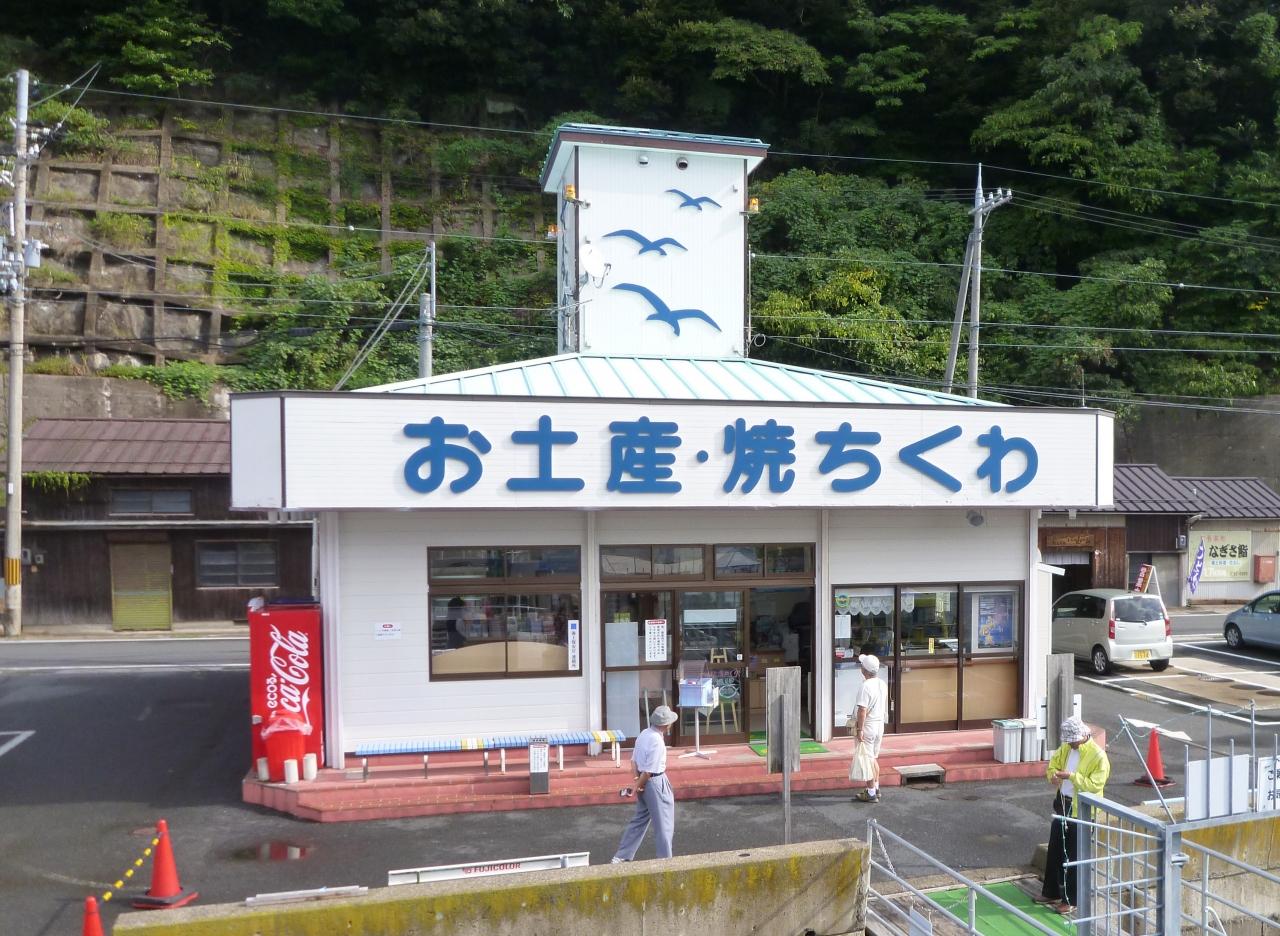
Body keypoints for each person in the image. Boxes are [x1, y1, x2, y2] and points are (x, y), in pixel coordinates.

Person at [1035, 716, 1110, 915]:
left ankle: (1071, 900)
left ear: (1082, 736)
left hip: (1082, 812)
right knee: (1055, 850)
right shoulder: (1066, 749)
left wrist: (1071, 776)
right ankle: (1050, 891)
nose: (1069, 743)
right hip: (1063, 805)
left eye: (1072, 740)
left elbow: (1095, 785)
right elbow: (1053, 764)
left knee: (1075, 857)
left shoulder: (1098, 756)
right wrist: (1052, 775)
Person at [612, 705, 678, 862]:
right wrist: (637, 786)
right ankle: (665, 860)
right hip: (656, 782)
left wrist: (637, 782)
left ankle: (621, 856)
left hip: (643, 781)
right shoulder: (657, 741)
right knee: (664, 824)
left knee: (639, 820)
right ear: (666, 724)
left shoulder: (644, 734)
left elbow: (633, 761)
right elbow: (649, 771)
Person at [851, 653, 888, 803]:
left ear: (864, 670)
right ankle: (876, 788)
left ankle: (871, 792)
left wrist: (860, 730)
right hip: (879, 725)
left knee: (867, 761)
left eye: (862, 665)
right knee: (872, 758)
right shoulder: (882, 683)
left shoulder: (865, 686)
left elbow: (862, 710)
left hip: (868, 726)